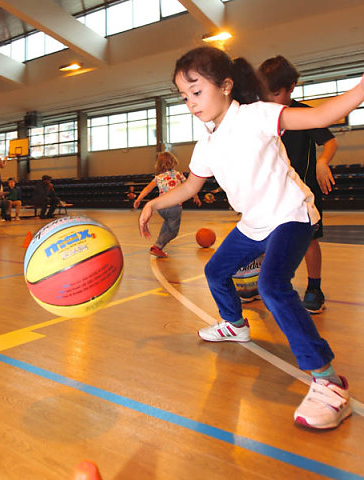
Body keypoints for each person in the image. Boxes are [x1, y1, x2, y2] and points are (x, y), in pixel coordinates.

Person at [138, 46, 364, 429]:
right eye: (184, 96)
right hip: (253, 223)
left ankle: (328, 382)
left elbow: (325, 115)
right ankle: (235, 324)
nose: (190, 103)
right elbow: (191, 187)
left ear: (226, 86)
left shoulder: (258, 115)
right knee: (215, 271)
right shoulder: (206, 144)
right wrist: (154, 204)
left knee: (272, 286)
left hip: (290, 215)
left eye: (196, 91)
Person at [258, 56, 338, 314]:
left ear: (292, 86)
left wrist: (323, 161)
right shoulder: (263, 116)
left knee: (309, 241)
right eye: (266, 94)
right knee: (267, 238)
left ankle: (315, 288)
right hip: (274, 191)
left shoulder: (303, 114)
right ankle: (256, 283)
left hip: (304, 194)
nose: (271, 99)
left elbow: (330, 141)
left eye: (276, 93)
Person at [134, 151, 201, 257]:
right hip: (174, 207)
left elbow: (147, 188)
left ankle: (158, 246)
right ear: (173, 162)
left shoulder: (158, 177)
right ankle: (157, 246)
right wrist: (196, 197)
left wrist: (138, 199)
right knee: (173, 231)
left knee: (167, 224)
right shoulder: (179, 175)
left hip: (161, 207)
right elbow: (190, 187)